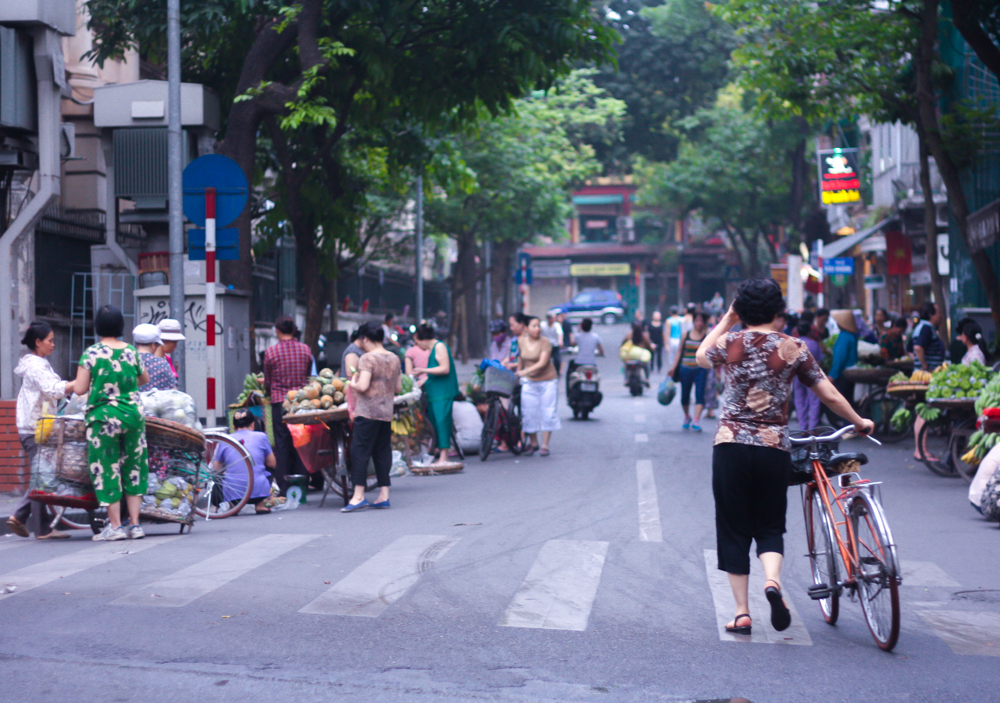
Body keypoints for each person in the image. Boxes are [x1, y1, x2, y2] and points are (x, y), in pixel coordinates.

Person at [696, 278, 873, 637]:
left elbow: (701, 357)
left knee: (733, 528)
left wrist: (729, 318)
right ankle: (772, 582)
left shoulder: (731, 342)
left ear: (741, 309)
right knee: (770, 524)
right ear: (778, 310)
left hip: (730, 446)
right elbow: (828, 394)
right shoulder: (793, 347)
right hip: (774, 448)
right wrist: (859, 421)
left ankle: (742, 613)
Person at [71, 305, 151, 541]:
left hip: (103, 418)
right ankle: (135, 525)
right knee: (135, 467)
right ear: (120, 326)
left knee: (107, 468)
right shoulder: (131, 351)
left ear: (97, 326)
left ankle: (115, 527)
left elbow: (79, 389)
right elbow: (144, 379)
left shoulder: (91, 353)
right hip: (133, 416)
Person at [6, 322, 76, 540]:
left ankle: (42, 528)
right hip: (35, 429)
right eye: (50, 340)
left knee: (42, 475)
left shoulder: (38, 363)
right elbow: (53, 389)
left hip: (36, 427)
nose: (53, 344)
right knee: (42, 477)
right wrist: (77, 383)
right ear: (38, 342)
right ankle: (21, 516)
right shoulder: (36, 366)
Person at [343, 322, 401, 512]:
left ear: (366, 338)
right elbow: (398, 388)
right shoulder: (394, 358)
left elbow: (363, 386)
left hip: (367, 412)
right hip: (385, 412)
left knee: (359, 452)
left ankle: (358, 496)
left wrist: (352, 383)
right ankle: (384, 495)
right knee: (382, 452)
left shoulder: (367, 358)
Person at [262, 315, 313, 496]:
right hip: (301, 403)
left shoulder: (271, 352)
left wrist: (270, 391)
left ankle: (283, 488)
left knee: (282, 444)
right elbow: (308, 376)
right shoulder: (305, 350)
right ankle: (302, 485)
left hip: (279, 402)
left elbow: (268, 382)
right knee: (302, 442)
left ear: (277, 331)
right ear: (293, 330)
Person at [411, 324, 461, 466]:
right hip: (435, 391)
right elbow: (437, 370)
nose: (417, 345)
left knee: (441, 422)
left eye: (417, 342)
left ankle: (444, 456)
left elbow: (445, 369)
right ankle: (440, 453)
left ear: (424, 339)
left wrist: (423, 370)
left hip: (442, 392)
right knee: (435, 422)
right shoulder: (433, 349)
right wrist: (425, 379)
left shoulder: (439, 347)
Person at [215, 409, 276, 514]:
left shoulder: (226, 440)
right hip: (258, 490)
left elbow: (215, 469)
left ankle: (233, 506)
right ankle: (261, 504)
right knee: (269, 470)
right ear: (253, 425)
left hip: (234, 493)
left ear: (233, 427)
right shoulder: (261, 436)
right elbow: (272, 463)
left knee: (220, 476)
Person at [517, 316, 560, 456]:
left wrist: (525, 372)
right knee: (528, 412)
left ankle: (545, 445)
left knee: (548, 412)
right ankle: (533, 443)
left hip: (547, 381)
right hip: (529, 382)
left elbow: (542, 363)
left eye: (539, 326)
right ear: (526, 328)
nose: (537, 329)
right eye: (534, 326)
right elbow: (521, 359)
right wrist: (518, 372)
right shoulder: (521, 341)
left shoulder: (545, 342)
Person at [670, 311, 709, 431]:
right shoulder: (685, 335)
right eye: (697, 320)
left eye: (702, 321)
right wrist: (673, 367)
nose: (699, 323)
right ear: (693, 322)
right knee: (685, 396)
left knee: (700, 395)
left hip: (700, 369)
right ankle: (687, 416)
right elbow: (679, 352)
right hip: (685, 368)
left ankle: (696, 420)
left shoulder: (706, 336)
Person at [793, 317, 824, 431]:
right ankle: (812, 427)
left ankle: (803, 428)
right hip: (812, 375)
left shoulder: (793, 344)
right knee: (814, 400)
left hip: (797, 375)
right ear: (809, 331)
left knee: (799, 400)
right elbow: (819, 362)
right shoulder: (814, 344)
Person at [828, 310, 859, 406]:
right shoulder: (851, 336)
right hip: (850, 374)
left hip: (843, 374)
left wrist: (832, 375)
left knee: (841, 402)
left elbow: (840, 358)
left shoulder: (844, 337)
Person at [133, 324, 176, 392]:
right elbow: (173, 390)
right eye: (157, 345)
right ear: (153, 345)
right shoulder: (162, 363)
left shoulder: (127, 360)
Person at [154, 318, 185, 383]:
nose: (176, 346)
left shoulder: (167, 359)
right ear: (164, 340)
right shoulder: (152, 362)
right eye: (174, 342)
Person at [666, 305, 684, 371]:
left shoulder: (669, 320)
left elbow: (667, 333)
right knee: (679, 356)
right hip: (680, 339)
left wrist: (666, 344)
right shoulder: (682, 319)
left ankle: (672, 370)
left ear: (670, 312)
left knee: (672, 357)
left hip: (672, 340)